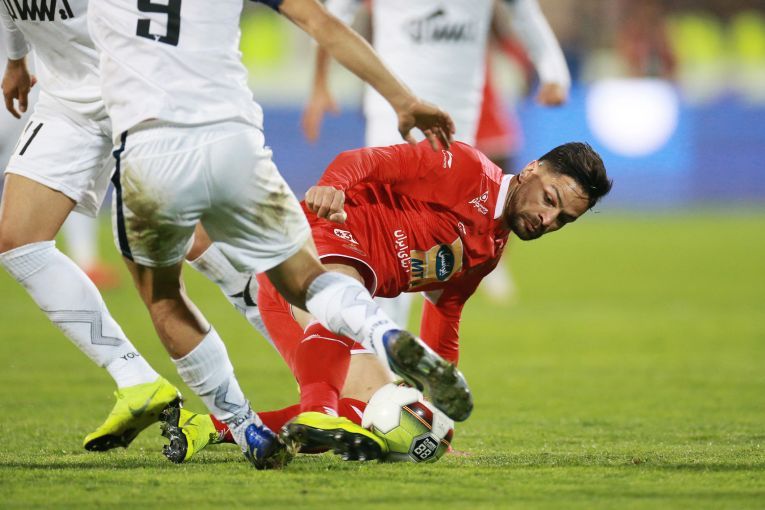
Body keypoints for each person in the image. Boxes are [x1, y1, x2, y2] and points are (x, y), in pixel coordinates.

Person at [87, 0, 471, 468]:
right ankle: (379, 332)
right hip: (236, 141)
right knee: (311, 285)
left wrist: (19, 59)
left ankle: (234, 420)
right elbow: (319, 20)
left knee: (166, 296)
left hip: (150, 145)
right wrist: (403, 99)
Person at [161, 140, 612, 462]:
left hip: (326, 299)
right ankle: (318, 409)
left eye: (562, 219)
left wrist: (437, 410)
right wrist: (334, 185)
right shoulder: (466, 167)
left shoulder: (489, 250)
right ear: (531, 170)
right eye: (549, 200)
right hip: (314, 247)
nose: (547, 219)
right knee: (341, 298)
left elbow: (445, 313)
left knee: (374, 412)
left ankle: (210, 428)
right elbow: (367, 161)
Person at [302, 0, 571, 327]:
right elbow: (332, 14)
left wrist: (554, 73)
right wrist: (319, 82)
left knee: (442, 243)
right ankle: (373, 335)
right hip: (393, 110)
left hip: (458, 121)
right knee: (388, 226)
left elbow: (525, 12)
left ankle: (382, 338)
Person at [0, 0, 184, 454]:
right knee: (18, 241)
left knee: (202, 251)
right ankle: (135, 378)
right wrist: (17, 60)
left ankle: (328, 383)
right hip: (67, 101)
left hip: (138, 94)